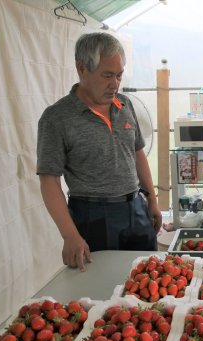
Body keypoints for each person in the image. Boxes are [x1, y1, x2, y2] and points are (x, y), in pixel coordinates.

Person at [36, 33, 161, 272]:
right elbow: (49, 180)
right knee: (101, 290)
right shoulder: (57, 118)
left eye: (119, 75)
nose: (115, 83)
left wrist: (152, 200)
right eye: (107, 75)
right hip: (93, 216)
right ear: (82, 69)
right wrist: (69, 235)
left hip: (136, 207)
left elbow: (137, 153)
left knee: (147, 281)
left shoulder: (125, 105)